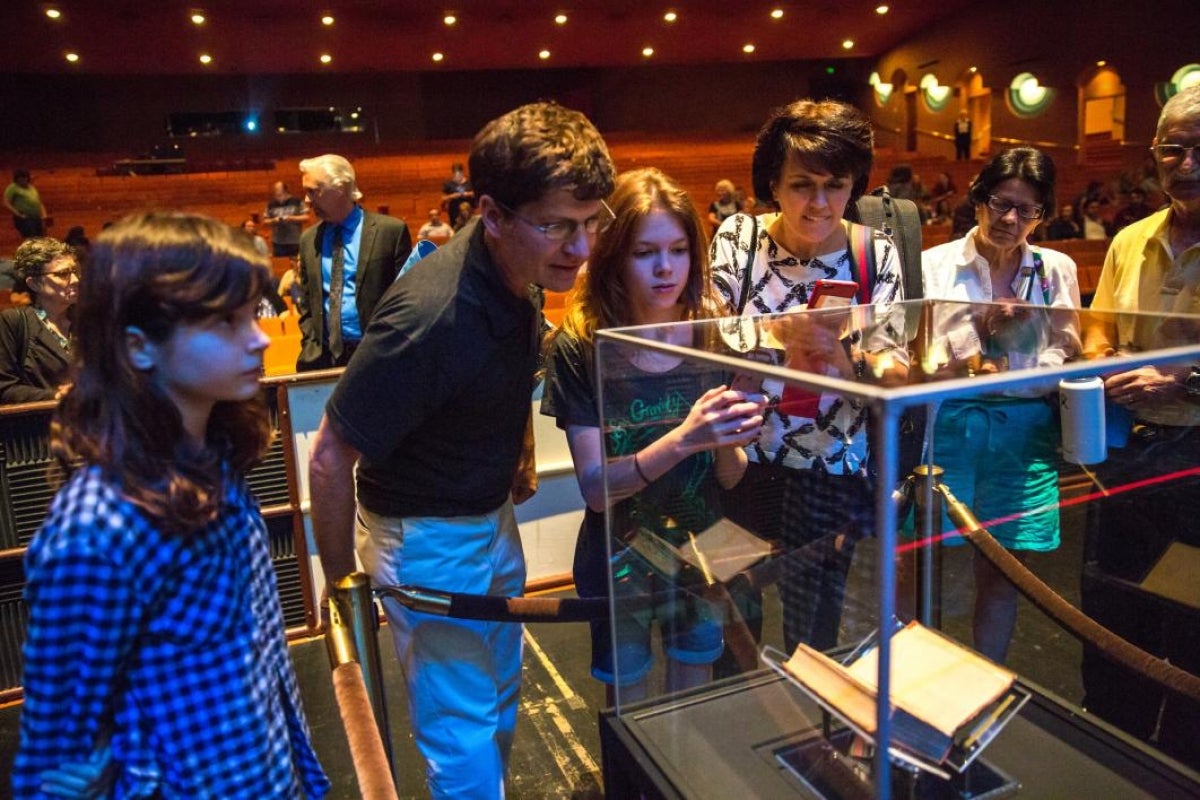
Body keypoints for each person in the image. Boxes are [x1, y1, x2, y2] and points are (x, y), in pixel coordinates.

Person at [308, 101, 615, 799]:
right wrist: (341, 589)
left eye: (591, 223)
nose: (582, 247)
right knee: (464, 742)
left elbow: (507, 372)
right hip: (426, 543)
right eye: (558, 226)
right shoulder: (429, 316)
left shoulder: (520, 272)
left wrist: (521, 456)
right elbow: (329, 456)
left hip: (485, 517)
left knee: (497, 711)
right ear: (492, 212)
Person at [13, 211, 329, 798]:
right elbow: (56, 760)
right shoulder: (96, 530)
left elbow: (261, 671)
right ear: (139, 346)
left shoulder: (217, 461)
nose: (259, 337)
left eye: (250, 314)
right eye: (226, 322)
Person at [542, 168, 766, 703]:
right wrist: (687, 438)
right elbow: (597, 490)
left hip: (701, 544)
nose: (666, 268)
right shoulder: (582, 344)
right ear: (615, 255)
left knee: (693, 694)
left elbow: (731, 478)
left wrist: (732, 433)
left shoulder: (707, 330)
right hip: (619, 553)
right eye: (645, 252)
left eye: (679, 249)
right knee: (630, 703)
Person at [710, 98, 909, 658]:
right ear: (773, 181)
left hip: (832, 464)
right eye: (802, 185)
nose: (819, 203)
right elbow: (707, 337)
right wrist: (779, 335)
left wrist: (844, 359)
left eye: (836, 185)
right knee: (734, 616)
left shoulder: (874, 254)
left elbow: (890, 364)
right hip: (741, 460)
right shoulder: (739, 240)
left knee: (814, 626)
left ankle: (809, 735)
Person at [919, 147, 1081, 662]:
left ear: (1042, 215)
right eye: (1000, 203)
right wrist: (977, 342)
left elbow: (1068, 345)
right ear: (978, 199)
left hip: (1024, 429)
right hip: (949, 424)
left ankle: (987, 675)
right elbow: (917, 351)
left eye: (1027, 210)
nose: (1010, 219)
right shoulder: (934, 266)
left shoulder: (1055, 269)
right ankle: (915, 676)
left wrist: (1018, 368)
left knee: (1004, 568)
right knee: (920, 562)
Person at [1080, 85, 1200, 769]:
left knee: (1189, 635)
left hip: (1196, 465)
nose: (1185, 163)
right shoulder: (1129, 240)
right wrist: (1104, 362)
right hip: (1126, 456)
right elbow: (1095, 333)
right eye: (1171, 148)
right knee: (1111, 619)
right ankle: (1110, 760)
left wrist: (1183, 380)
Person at [295, 153, 412, 371]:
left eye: (313, 191)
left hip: (380, 358)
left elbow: (406, 299)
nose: (307, 200)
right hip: (323, 360)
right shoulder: (309, 239)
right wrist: (311, 342)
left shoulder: (390, 232)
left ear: (340, 187)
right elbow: (306, 302)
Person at [0, 237, 78, 404]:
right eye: (63, 274)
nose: (75, 280)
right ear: (35, 284)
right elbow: (5, 388)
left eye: (75, 271)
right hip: (42, 425)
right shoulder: (14, 322)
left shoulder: (87, 320)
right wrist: (56, 396)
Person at [262, 181, 309, 259]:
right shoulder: (271, 204)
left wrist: (291, 218)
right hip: (278, 242)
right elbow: (265, 221)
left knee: (297, 262)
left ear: (286, 191)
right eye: (276, 194)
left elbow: (306, 217)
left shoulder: (297, 201)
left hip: (295, 241)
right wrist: (274, 220)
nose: (278, 197)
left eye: (280, 194)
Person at [4, 168, 48, 240]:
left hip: (37, 218)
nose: (23, 181)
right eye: (20, 179)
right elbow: (6, 202)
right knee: (31, 240)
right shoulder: (13, 188)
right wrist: (18, 214)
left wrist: (44, 215)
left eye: (25, 178)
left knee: (41, 239)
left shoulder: (31, 187)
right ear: (16, 180)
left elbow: (39, 202)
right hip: (25, 218)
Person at [440, 161, 475, 228]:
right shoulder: (448, 184)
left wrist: (467, 194)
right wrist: (453, 196)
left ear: (463, 172)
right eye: (455, 173)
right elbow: (443, 198)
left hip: (468, 209)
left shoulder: (469, 182)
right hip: (454, 210)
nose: (458, 175)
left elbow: (476, 194)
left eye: (460, 172)